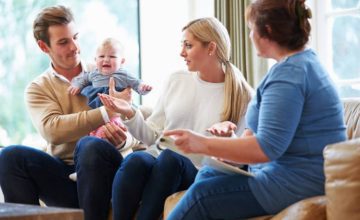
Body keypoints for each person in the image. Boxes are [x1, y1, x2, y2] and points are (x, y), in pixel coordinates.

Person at [164, 0, 347, 219]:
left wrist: (201, 143)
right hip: (276, 175)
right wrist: (228, 148)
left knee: (202, 196)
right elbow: (257, 136)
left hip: (296, 182)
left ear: (267, 30)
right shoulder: (294, 66)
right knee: (209, 173)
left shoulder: (291, 76)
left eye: (251, 29)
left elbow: (265, 149)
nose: (250, 36)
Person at [98, 17, 253, 220]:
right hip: (162, 160)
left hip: (197, 171)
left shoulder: (243, 95)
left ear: (211, 48)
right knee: (136, 160)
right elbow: (153, 137)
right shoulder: (176, 80)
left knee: (171, 158)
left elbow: (242, 159)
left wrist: (227, 137)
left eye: (188, 46)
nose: (182, 53)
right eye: (183, 45)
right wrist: (129, 112)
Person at [0, 5, 139, 220]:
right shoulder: (38, 88)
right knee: (9, 156)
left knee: (89, 145)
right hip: (65, 178)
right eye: (64, 42)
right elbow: (52, 129)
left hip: (107, 172)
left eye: (75, 37)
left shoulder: (105, 70)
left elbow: (135, 122)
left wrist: (123, 141)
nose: (75, 47)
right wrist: (105, 112)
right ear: (43, 46)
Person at [68, 37, 152, 138]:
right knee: (96, 128)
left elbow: (136, 83)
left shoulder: (123, 74)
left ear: (122, 61)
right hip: (98, 111)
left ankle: (121, 132)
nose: (106, 59)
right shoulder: (94, 73)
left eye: (112, 56)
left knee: (121, 124)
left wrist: (143, 87)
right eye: (101, 56)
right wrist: (77, 85)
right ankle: (96, 136)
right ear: (95, 60)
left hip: (118, 111)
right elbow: (84, 79)